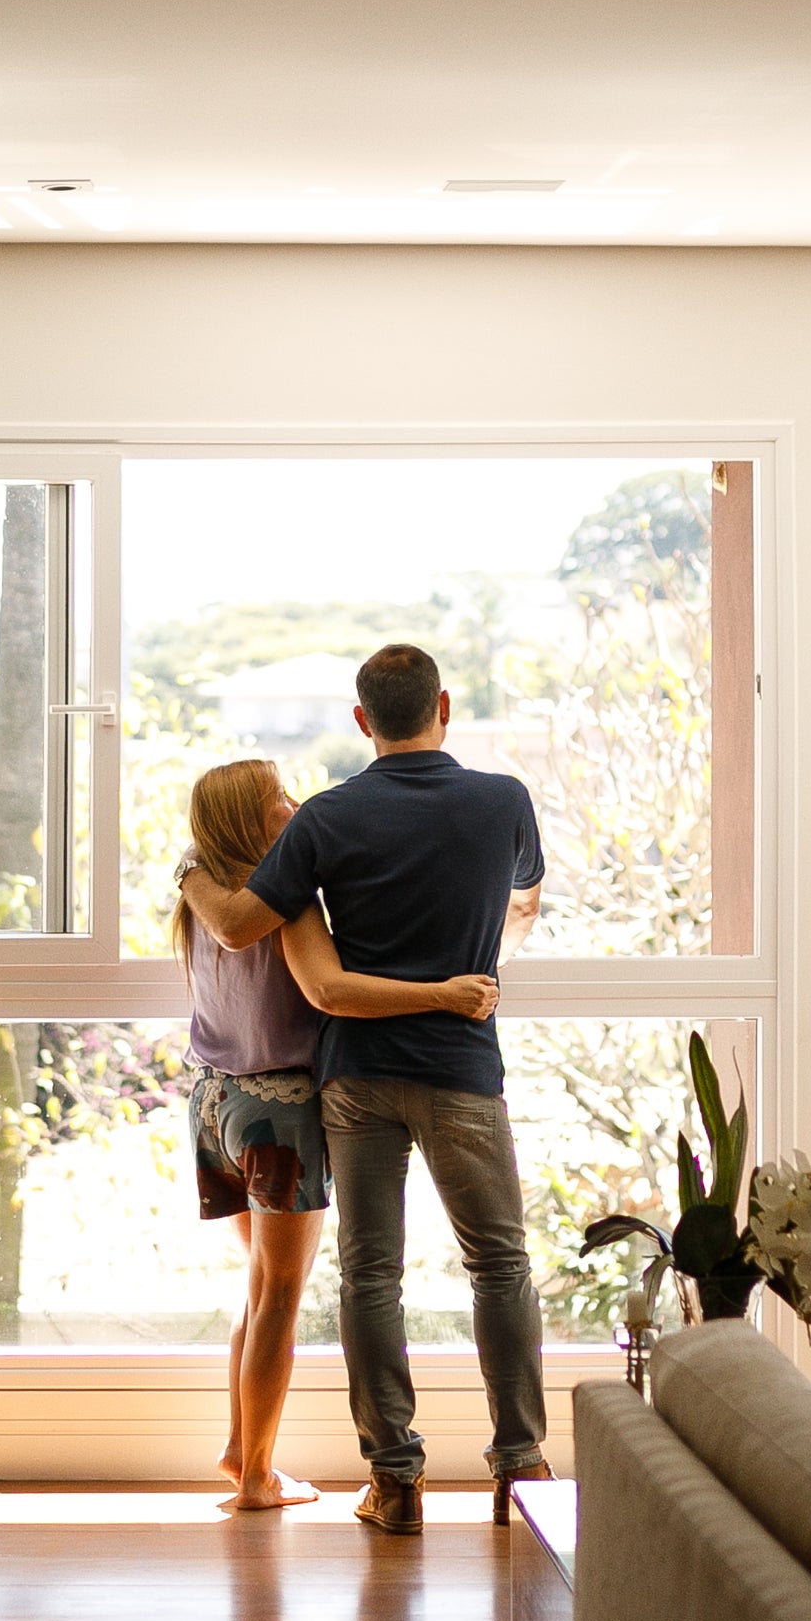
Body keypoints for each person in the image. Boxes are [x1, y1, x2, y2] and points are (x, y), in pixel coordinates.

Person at [180, 645, 548, 1536]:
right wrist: (472, 960)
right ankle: (521, 1467)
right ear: (443, 706)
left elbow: (243, 926)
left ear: (360, 721)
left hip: (354, 1080)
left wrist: (187, 872)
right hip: (460, 1069)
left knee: (369, 1276)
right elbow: (524, 903)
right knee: (499, 1266)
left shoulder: (325, 818)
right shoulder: (504, 800)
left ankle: (394, 1481)